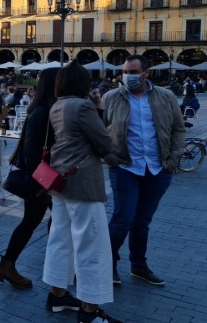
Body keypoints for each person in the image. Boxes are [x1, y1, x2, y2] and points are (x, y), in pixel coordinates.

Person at [43, 61, 125, 323]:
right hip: (83, 185)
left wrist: (97, 108)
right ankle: (89, 310)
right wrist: (117, 157)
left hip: (61, 183)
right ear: (83, 84)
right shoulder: (82, 106)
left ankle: (57, 295)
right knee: (92, 245)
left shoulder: (58, 106)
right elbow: (103, 142)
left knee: (60, 240)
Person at [101, 54, 185, 287]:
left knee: (142, 222)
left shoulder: (165, 97)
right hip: (125, 168)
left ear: (146, 73)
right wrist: (110, 158)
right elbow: (98, 131)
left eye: (133, 72)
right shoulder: (111, 98)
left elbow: (178, 129)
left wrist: (173, 158)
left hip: (159, 169)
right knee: (122, 219)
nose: (128, 77)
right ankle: (108, 265)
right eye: (125, 72)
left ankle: (138, 266)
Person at [0, 68, 59, 289]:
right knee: (53, 220)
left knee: (33, 222)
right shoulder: (41, 112)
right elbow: (32, 153)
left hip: (40, 179)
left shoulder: (45, 109)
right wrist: (42, 184)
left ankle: (8, 265)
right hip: (40, 179)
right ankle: (58, 266)